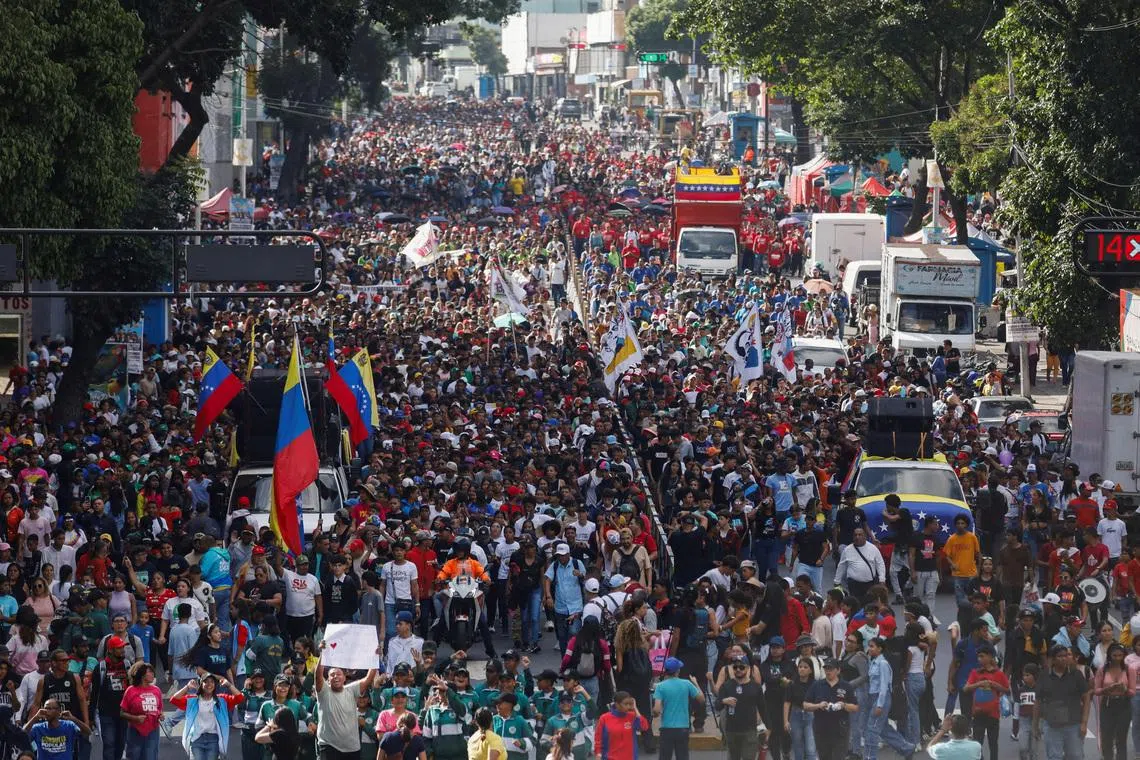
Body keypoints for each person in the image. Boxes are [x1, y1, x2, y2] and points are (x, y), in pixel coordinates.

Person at [314, 641, 379, 760]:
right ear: (328, 680)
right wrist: (323, 653)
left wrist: (375, 657)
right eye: (332, 675)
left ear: (344, 678)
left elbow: (369, 678)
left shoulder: (351, 690)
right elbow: (318, 676)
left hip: (352, 748)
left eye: (339, 674)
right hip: (329, 746)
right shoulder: (324, 692)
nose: (335, 676)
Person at [168, 674, 244, 760]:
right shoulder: (193, 700)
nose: (209, 684)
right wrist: (187, 687)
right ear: (201, 684)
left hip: (213, 740)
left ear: (215, 685)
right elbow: (174, 699)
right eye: (206, 682)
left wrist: (229, 685)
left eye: (212, 682)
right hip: (196, 739)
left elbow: (240, 698)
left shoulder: (222, 700)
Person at [865, 637, 916, 760]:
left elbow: (884, 686)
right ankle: (906, 747)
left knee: (872, 729)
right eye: (869, 646)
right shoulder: (874, 661)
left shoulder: (883, 663)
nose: (869, 649)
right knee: (882, 728)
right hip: (874, 697)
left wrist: (879, 705)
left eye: (872, 646)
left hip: (880, 698)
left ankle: (870, 757)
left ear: (880, 648)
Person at [1035, 645, 1090, 760]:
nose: (1064, 658)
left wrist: (1084, 723)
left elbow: (1086, 698)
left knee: (1076, 756)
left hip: (1073, 724)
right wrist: (1035, 725)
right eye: (1060, 656)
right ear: (1053, 659)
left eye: (1065, 656)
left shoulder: (1076, 675)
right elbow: (1038, 701)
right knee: (1055, 756)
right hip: (1051, 725)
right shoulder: (1044, 675)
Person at [802, 658, 857, 760]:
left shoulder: (846, 686)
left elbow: (855, 707)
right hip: (821, 729)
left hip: (840, 730)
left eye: (831, 669)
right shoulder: (817, 685)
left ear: (838, 670)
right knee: (824, 757)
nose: (828, 671)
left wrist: (843, 705)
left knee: (838, 757)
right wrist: (818, 705)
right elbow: (805, 705)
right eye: (826, 669)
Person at [962, 644, 1009, 760]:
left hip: (993, 715)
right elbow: (966, 688)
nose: (979, 659)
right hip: (978, 713)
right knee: (977, 744)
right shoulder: (975, 673)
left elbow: (1007, 690)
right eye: (978, 657)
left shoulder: (999, 674)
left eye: (982, 656)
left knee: (993, 743)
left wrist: (995, 685)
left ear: (990, 657)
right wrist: (979, 684)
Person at [715, 654, 765, 760]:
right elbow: (717, 706)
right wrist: (724, 701)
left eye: (741, 667)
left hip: (749, 730)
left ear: (747, 668)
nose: (738, 669)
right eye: (735, 667)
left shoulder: (755, 686)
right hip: (732, 730)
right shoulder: (727, 685)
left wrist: (768, 727)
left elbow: (762, 708)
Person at [652, 658, 702, 760]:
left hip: (667, 728)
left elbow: (656, 709)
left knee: (665, 756)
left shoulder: (660, 686)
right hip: (683, 727)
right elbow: (701, 699)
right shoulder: (686, 683)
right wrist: (696, 683)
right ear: (678, 670)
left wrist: (656, 714)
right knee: (682, 755)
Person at [1094, 642, 1133, 760]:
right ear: (1109, 655)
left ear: (1124, 656)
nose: (1117, 658)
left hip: (1124, 704)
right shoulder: (1102, 670)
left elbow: (1132, 692)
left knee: (1121, 739)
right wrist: (1107, 689)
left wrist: (1125, 689)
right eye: (1114, 655)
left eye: (1120, 655)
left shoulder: (1128, 669)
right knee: (1107, 739)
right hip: (1107, 704)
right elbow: (1096, 690)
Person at [22, 698, 90, 760]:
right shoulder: (38, 728)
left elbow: (88, 732)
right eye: (45, 708)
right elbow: (21, 735)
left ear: (58, 711)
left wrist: (73, 719)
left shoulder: (69, 725)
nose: (46, 711)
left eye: (50, 708)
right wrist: (35, 718)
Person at [594, 691, 648, 760]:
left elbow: (644, 727)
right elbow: (598, 738)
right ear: (617, 704)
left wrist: (635, 708)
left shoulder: (632, 716)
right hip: (610, 757)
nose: (628, 706)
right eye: (625, 704)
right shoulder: (604, 718)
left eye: (630, 704)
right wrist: (598, 753)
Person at [834, 528, 885, 601]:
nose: (857, 537)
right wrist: (837, 582)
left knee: (869, 606)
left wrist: (882, 579)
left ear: (865, 536)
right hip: (854, 585)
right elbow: (841, 566)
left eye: (860, 535)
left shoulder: (873, 548)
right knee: (856, 606)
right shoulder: (847, 550)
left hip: (870, 584)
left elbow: (880, 564)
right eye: (855, 535)